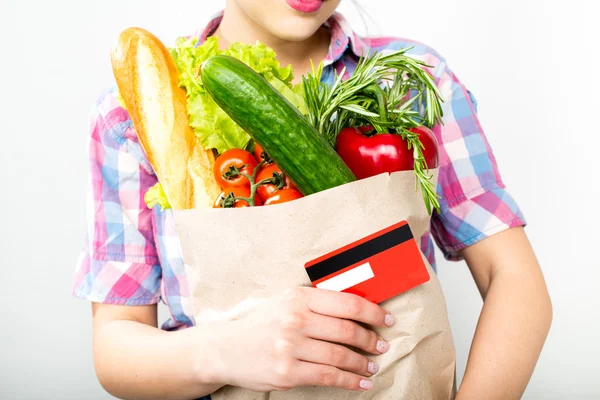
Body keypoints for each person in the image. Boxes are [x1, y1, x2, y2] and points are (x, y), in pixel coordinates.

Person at [73, 0, 552, 399]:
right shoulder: (129, 116)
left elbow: (512, 279)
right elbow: (116, 344)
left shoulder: (410, 82)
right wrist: (226, 352)